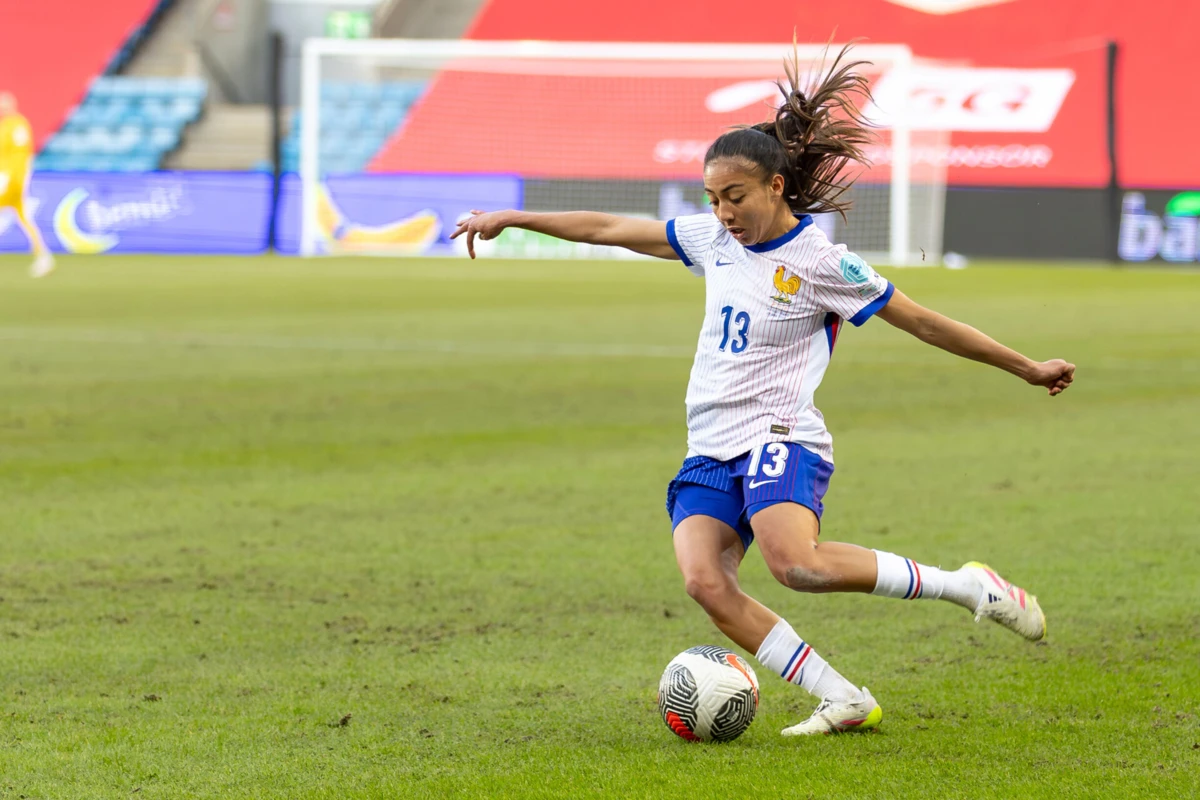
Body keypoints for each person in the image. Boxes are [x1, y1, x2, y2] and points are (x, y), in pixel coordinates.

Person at [450, 46, 1075, 737]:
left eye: (735, 197)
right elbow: (605, 228)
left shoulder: (822, 261)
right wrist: (512, 218)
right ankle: (842, 696)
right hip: (709, 445)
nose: (721, 213)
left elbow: (923, 321)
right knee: (704, 582)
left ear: (776, 187)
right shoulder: (712, 241)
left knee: (795, 565)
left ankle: (967, 585)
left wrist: (1026, 367)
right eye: (712, 199)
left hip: (781, 435)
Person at [0, 91, 55, 278]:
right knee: (24, 217)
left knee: (24, 217)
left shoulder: (17, 125)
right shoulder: (5, 125)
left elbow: (21, 155)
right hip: (6, 179)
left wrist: (13, 179)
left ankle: (44, 257)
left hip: (10, 180)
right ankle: (43, 256)